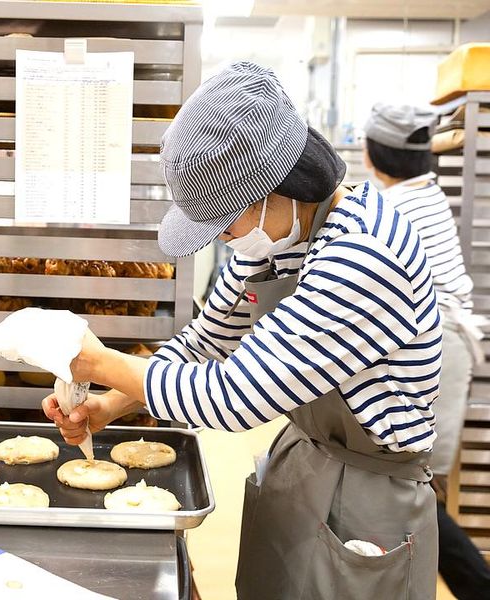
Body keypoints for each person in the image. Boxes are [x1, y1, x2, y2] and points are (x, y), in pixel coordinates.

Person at [42, 62, 440, 599]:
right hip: (303, 463)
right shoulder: (275, 241)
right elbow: (204, 345)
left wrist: (99, 362)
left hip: (369, 497)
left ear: (273, 190)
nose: (224, 240)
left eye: (224, 224)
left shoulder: (363, 255)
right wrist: (111, 404)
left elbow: (233, 396)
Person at [364, 103, 490, 600]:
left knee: (413, 494)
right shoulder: (425, 191)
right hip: (443, 345)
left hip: (437, 351)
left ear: (370, 155)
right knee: (411, 494)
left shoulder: (392, 209)